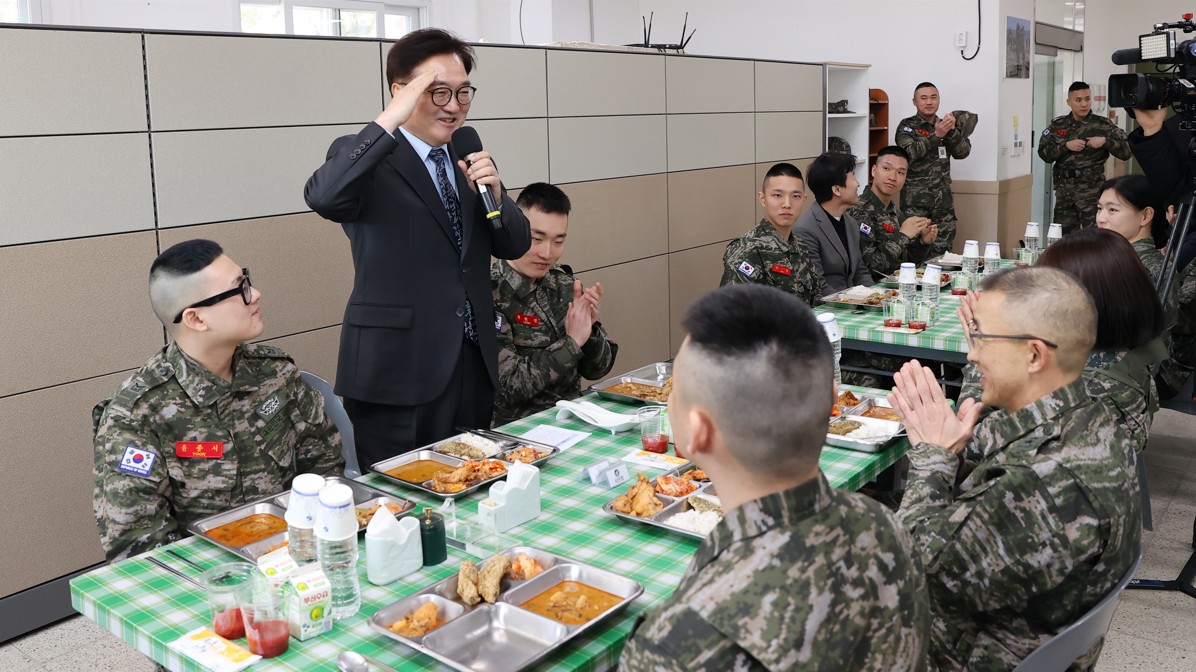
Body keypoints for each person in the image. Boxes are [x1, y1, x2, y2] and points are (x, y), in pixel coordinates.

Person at [620, 284, 929, 672]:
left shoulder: (676, 646)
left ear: (698, 431)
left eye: (675, 389)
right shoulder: (888, 528)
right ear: (833, 401)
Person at [892, 266, 1141, 671]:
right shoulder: (1093, 420)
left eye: (983, 339)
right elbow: (1001, 462)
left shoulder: (1041, 483)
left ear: (1034, 354)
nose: (971, 354)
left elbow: (915, 567)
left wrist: (932, 457)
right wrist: (957, 445)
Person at [303, 29, 531, 468]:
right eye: (437, 91)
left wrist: (499, 196)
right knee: (398, 504)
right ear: (401, 93)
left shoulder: (468, 149)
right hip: (397, 373)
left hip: (472, 364)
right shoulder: (364, 156)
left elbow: (514, 242)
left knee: (473, 484)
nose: (453, 106)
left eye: (463, 93)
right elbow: (324, 197)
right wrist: (389, 118)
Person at [92, 240, 344, 562]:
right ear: (196, 319)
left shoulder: (275, 373)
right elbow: (139, 545)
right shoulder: (138, 413)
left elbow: (323, 468)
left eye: (247, 281)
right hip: (210, 580)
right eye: (239, 290)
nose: (255, 295)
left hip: (296, 557)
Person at [491, 183, 618, 426]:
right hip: (521, 434)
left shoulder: (564, 285)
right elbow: (506, 388)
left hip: (575, 423)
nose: (547, 253)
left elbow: (598, 369)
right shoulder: (491, 292)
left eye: (558, 242)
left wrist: (590, 332)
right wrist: (571, 344)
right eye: (536, 239)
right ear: (514, 230)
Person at [720, 162, 821, 305]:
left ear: (804, 200)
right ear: (763, 199)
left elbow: (816, 302)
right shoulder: (747, 250)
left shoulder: (800, 246)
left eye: (796, 196)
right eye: (777, 195)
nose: (787, 204)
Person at [1038, 82, 1131, 236]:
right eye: (1078, 100)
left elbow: (1126, 152)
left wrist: (1105, 141)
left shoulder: (1103, 125)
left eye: (1087, 99)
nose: (1084, 104)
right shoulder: (1057, 125)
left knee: (1095, 236)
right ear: (1069, 102)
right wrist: (1065, 146)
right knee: (1063, 238)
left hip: (1092, 191)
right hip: (1064, 192)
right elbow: (1044, 153)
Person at [895, 82, 976, 256]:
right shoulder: (907, 126)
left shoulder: (946, 125)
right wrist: (936, 136)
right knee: (913, 254)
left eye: (933, 97)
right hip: (915, 206)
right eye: (923, 98)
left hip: (943, 206)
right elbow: (908, 153)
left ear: (939, 100)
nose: (929, 102)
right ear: (914, 101)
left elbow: (963, 152)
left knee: (943, 257)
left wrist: (952, 132)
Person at [846, 145, 936, 280]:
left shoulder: (896, 213)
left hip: (897, 289)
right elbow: (870, 267)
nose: (893, 177)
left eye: (900, 172)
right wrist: (903, 235)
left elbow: (906, 262)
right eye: (886, 168)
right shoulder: (858, 210)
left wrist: (923, 243)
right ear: (874, 170)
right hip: (870, 292)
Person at [794, 152, 873, 295]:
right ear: (836, 189)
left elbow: (860, 272)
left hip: (852, 305)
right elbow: (818, 286)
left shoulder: (850, 222)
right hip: (829, 309)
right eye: (853, 178)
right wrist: (853, 302)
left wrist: (875, 296)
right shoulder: (805, 229)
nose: (858, 184)